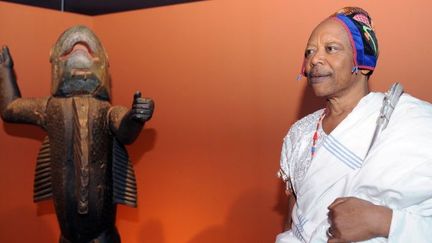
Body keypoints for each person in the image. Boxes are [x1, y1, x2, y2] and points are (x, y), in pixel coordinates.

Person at [276, 7, 432, 243]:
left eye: (331, 49)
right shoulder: (300, 134)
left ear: (363, 63)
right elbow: (295, 221)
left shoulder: (408, 123)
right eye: (309, 52)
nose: (314, 59)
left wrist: (384, 222)